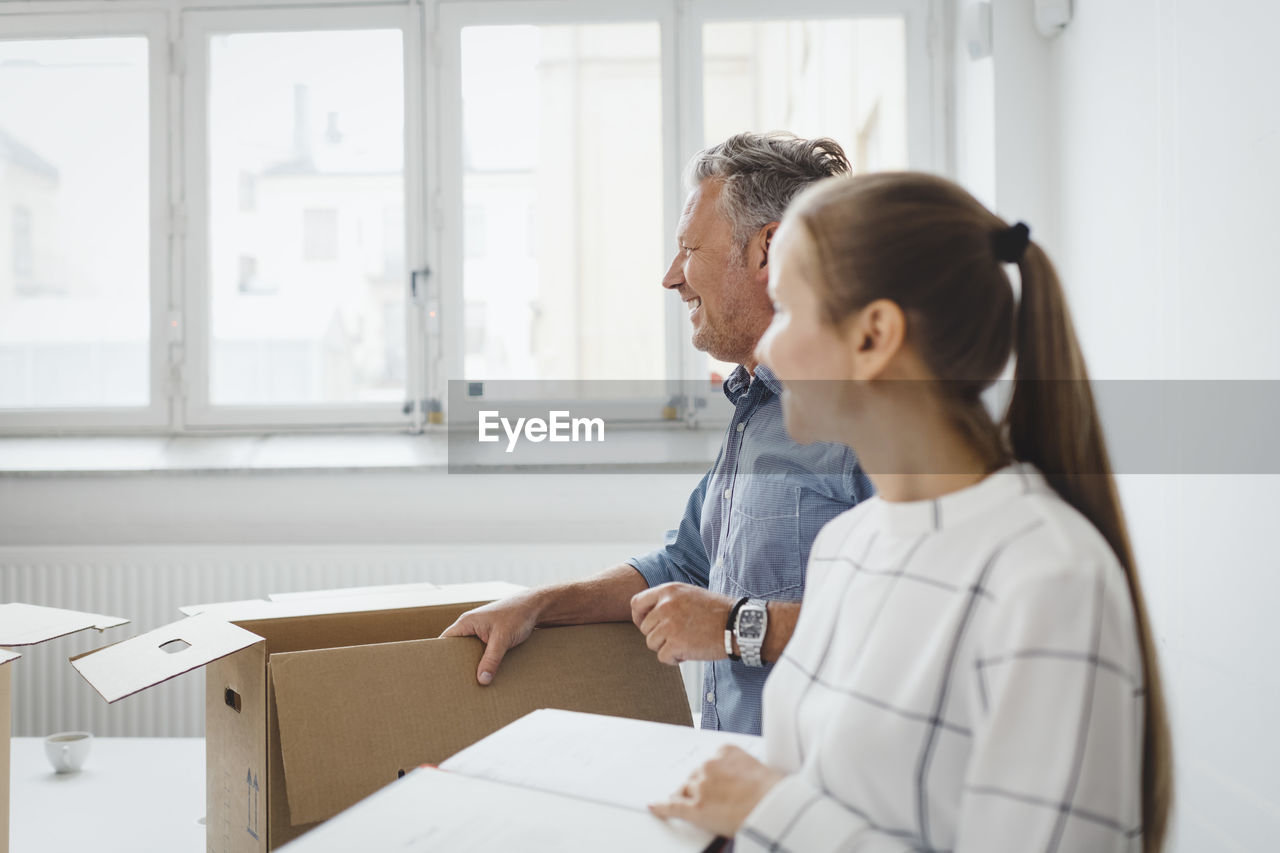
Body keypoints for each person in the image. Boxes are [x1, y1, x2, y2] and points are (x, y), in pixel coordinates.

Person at [650, 172, 1173, 852]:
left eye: (788, 311)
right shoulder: (845, 546)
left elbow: (787, 806)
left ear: (874, 336)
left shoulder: (1050, 579)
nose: (769, 348)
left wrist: (766, 808)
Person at [441, 132, 875, 735]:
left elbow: (920, 627)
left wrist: (732, 627)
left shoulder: (871, 416)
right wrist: (538, 606)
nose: (672, 277)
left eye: (689, 248)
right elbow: (685, 563)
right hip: (736, 781)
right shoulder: (756, 411)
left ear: (768, 249)